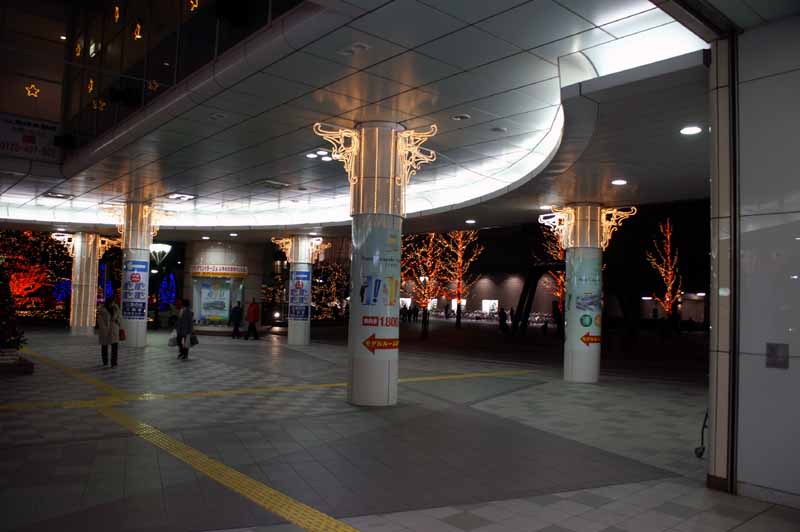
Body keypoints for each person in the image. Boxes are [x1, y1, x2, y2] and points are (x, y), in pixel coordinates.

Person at [96, 298, 121, 367]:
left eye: (113, 302)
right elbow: (100, 321)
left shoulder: (116, 309)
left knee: (114, 346)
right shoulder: (102, 310)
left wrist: (119, 325)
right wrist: (104, 329)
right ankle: (105, 361)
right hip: (105, 330)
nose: (112, 304)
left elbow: (119, 317)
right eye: (111, 303)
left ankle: (114, 362)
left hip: (114, 329)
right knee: (104, 346)